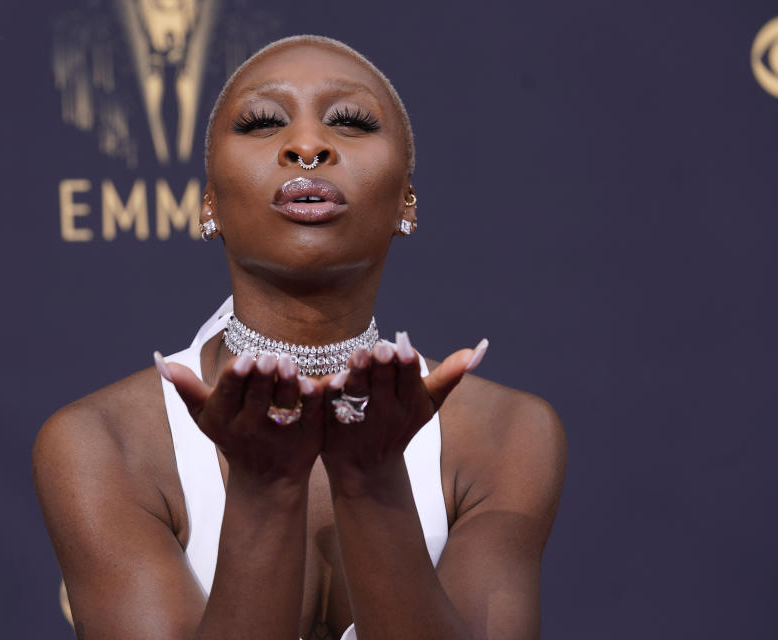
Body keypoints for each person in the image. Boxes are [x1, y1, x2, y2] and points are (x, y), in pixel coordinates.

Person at [33, 34, 566, 640]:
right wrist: (264, 489)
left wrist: (373, 480)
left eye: (353, 123)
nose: (307, 146)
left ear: (407, 199)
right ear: (208, 202)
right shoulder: (102, 442)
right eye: (262, 123)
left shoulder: (507, 433)